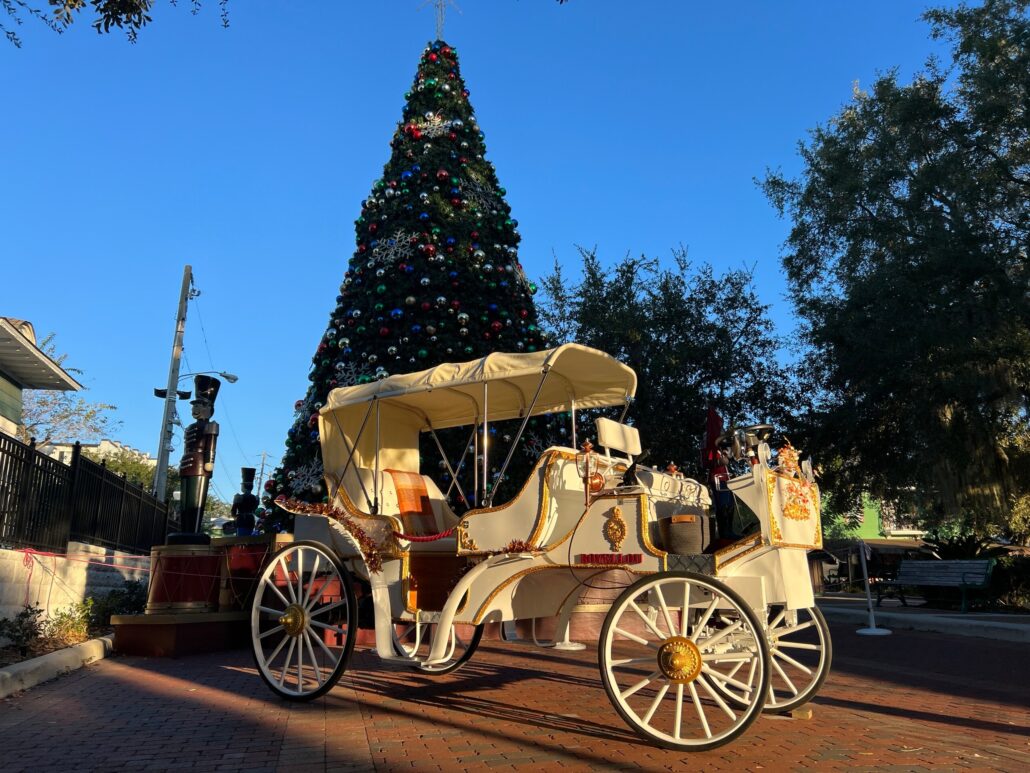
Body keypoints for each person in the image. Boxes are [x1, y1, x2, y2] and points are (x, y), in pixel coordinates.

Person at [231, 467, 259, 537]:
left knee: (241, 539)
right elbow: (255, 510)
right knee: (249, 539)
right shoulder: (255, 498)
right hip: (251, 521)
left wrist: (235, 517)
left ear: (244, 486)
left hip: (241, 521)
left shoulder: (238, 497)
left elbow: (233, 511)